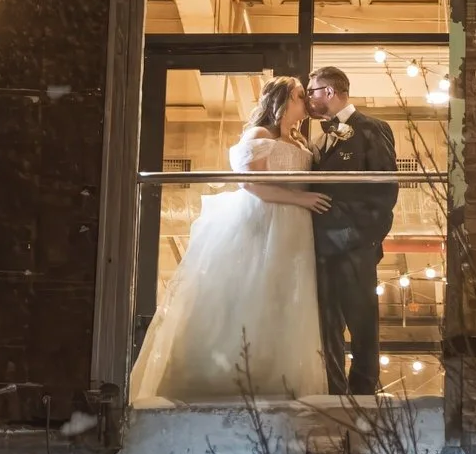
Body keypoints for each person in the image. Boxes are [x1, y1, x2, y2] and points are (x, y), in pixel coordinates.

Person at [127, 77, 331, 405]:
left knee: (286, 298)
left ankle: (279, 375)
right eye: (298, 96)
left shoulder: (300, 141)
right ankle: (233, 377)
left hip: (294, 227)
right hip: (267, 220)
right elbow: (251, 184)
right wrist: (301, 201)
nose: (304, 102)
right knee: (253, 293)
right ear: (282, 101)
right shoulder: (259, 135)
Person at [305, 65, 399, 395]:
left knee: (362, 320)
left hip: (356, 244)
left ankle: (363, 391)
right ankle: (334, 389)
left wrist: (364, 237)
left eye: (311, 91)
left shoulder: (373, 128)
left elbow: (386, 189)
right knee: (327, 322)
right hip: (320, 247)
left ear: (329, 92)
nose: (308, 98)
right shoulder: (317, 139)